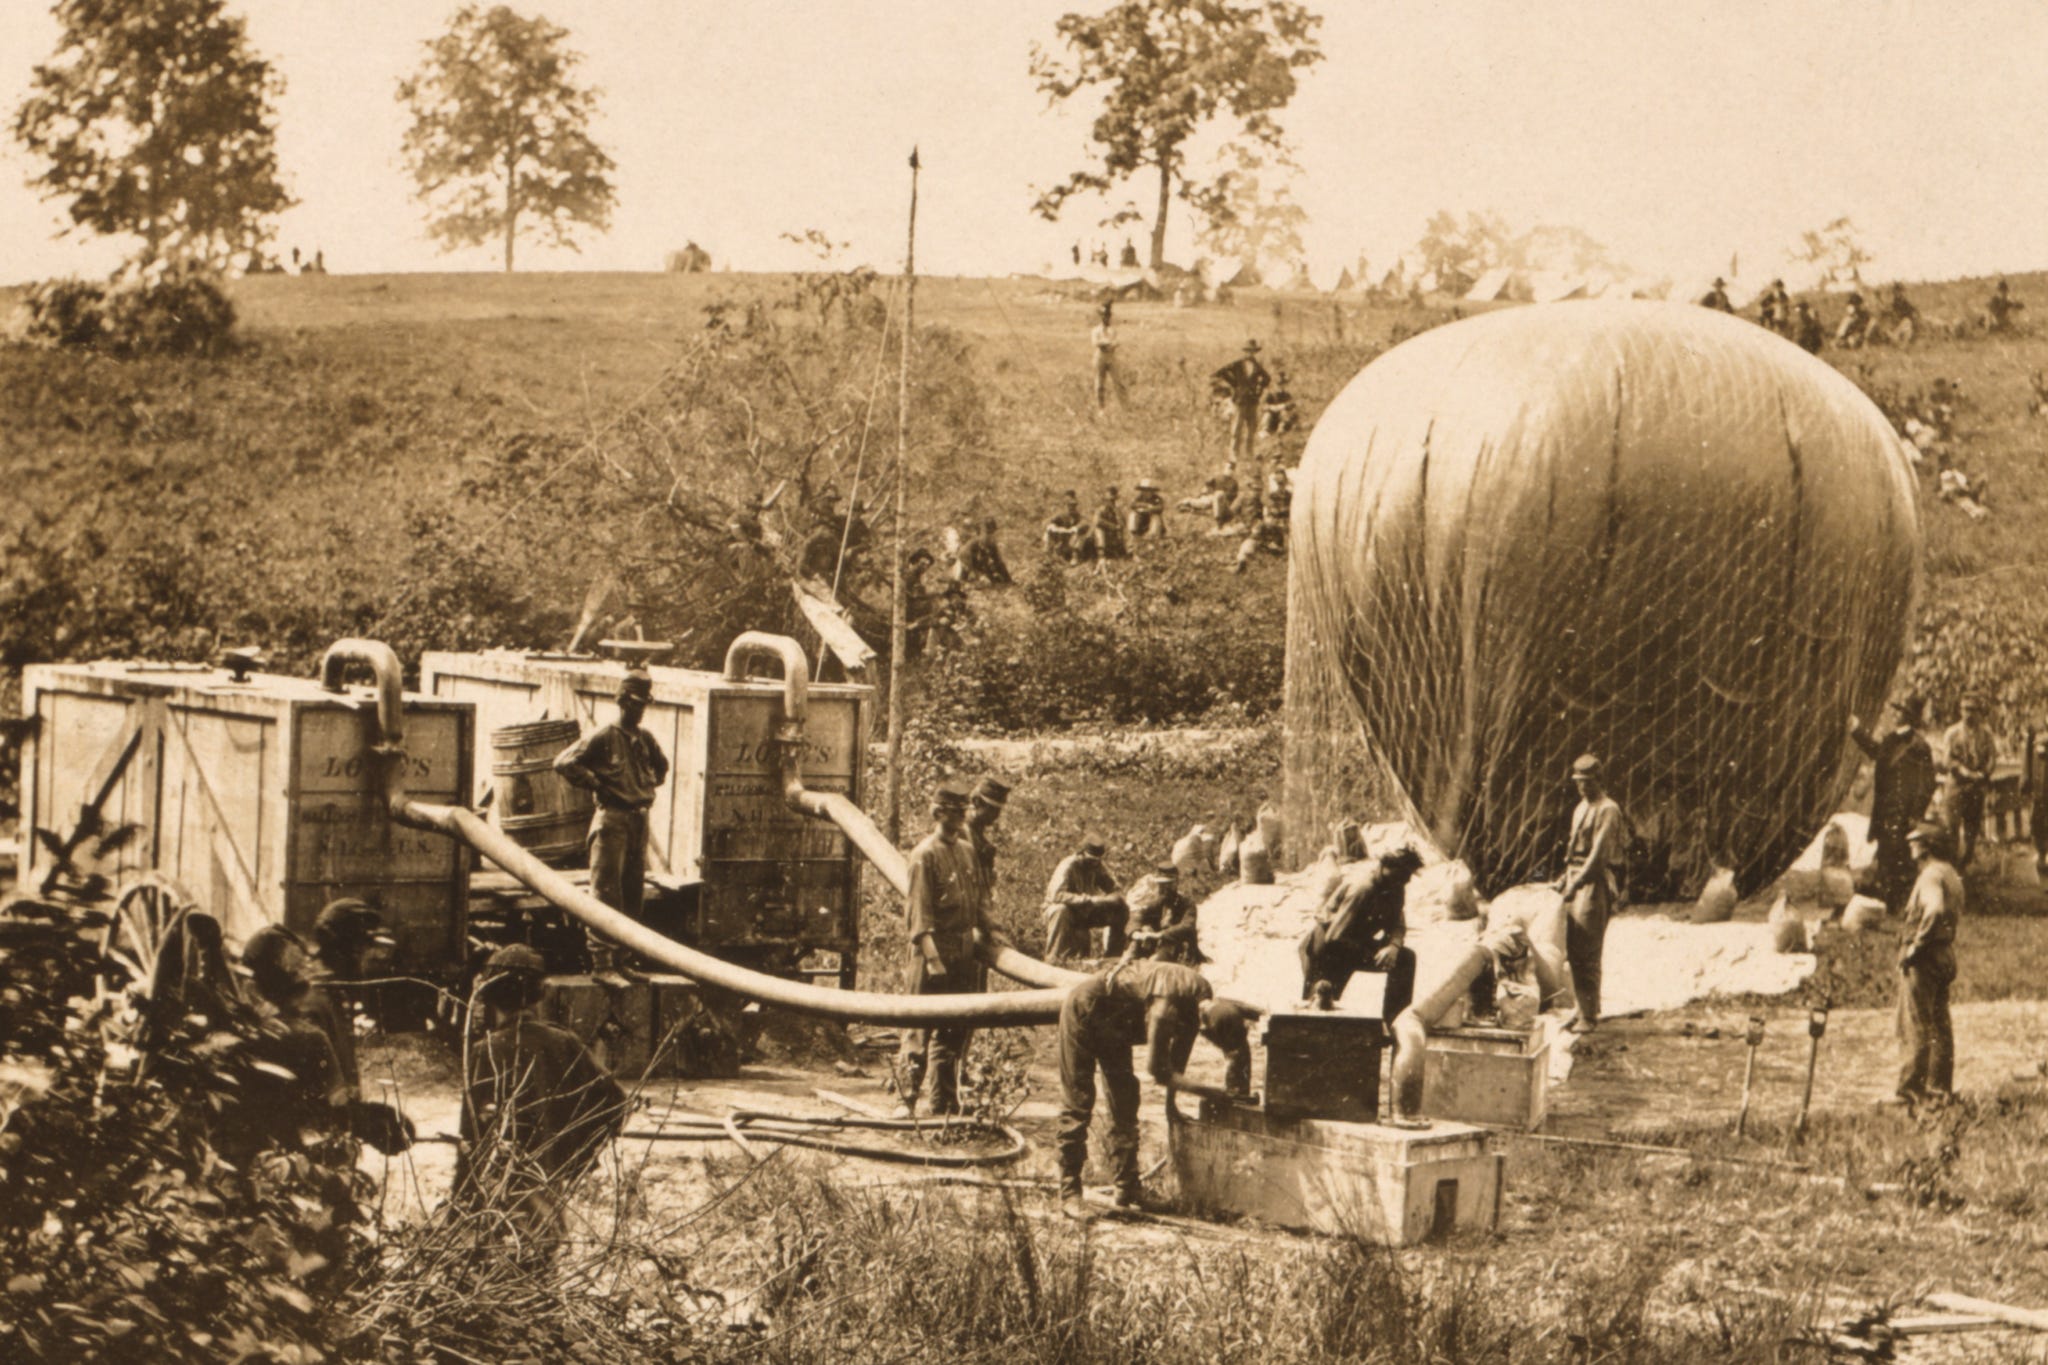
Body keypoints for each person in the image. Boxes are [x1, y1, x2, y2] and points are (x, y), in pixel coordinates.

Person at [1055, 957, 1256, 1220]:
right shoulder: (1166, 1007)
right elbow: (1159, 1072)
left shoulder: (1201, 998)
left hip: (1115, 1026)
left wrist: (1173, 1109)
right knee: (1079, 1102)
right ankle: (1069, 1193)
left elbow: (1175, 1067)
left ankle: (1127, 1188)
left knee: (1126, 1098)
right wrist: (1211, 1093)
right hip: (1085, 1011)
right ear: (1207, 1024)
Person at [460, 945, 628, 1253]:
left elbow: (471, 1136)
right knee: (542, 1264)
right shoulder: (563, 1041)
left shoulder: (486, 1051)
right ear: (539, 994)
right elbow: (615, 1103)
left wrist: (460, 1203)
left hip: (497, 1193)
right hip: (548, 1185)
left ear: (489, 996)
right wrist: (574, 1157)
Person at [554, 669, 670, 973]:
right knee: (606, 892)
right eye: (634, 703)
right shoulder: (605, 735)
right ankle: (602, 964)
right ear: (621, 702)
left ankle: (623, 961)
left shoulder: (645, 739)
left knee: (633, 894)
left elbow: (661, 768)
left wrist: (641, 786)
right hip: (612, 820)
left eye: (643, 704)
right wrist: (598, 783)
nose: (639, 709)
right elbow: (564, 762)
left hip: (638, 821)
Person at [896, 784, 993, 1117]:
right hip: (931, 953)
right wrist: (934, 960)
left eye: (964, 811)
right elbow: (919, 915)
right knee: (918, 1026)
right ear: (938, 814)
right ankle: (905, 1099)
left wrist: (996, 934)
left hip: (963, 950)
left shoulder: (967, 851)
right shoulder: (924, 855)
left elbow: (980, 902)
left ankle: (944, 1102)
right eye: (956, 812)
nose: (962, 817)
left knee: (953, 1029)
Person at [1298, 844, 1423, 1019]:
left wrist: (1392, 947)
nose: (1406, 880)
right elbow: (1335, 937)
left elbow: (1398, 924)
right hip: (1328, 949)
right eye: (1402, 874)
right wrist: (1371, 953)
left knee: (1405, 959)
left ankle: (1395, 1023)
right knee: (1320, 1007)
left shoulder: (1395, 886)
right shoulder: (1363, 889)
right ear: (1385, 867)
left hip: (1354, 943)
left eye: (1408, 875)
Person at [1893, 824, 1960, 1106]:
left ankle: (1911, 1090)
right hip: (1945, 953)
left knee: (1916, 1023)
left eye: (1915, 842)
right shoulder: (1950, 874)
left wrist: (1914, 947)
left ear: (1925, 847)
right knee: (1940, 1024)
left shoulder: (1930, 876)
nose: (1911, 846)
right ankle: (1939, 1087)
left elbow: (1934, 909)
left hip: (1926, 956)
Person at [1850, 699, 1939, 910]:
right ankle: (1889, 899)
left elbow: (1927, 783)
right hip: (1886, 809)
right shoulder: (1892, 740)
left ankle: (1896, 901)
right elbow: (1876, 752)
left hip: (1902, 810)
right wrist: (1856, 730)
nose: (1895, 715)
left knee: (1897, 855)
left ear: (1907, 717)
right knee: (1887, 853)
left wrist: (1916, 813)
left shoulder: (1919, 746)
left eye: (1899, 712)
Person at [1558, 754, 1625, 1032]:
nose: (1583, 788)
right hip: (1576, 878)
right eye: (1578, 783)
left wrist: (1574, 885)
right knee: (1573, 949)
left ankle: (1589, 1016)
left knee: (1587, 950)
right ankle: (1582, 1008)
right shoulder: (1580, 808)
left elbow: (1598, 857)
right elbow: (1574, 853)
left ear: (1599, 780)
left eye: (1587, 782)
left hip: (1595, 884)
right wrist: (1564, 879)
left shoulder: (1608, 809)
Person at [1043, 838, 1127, 962]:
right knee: (1060, 910)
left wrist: (1114, 897)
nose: (1094, 863)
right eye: (1091, 860)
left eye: (1097, 861)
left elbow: (1114, 888)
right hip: (1064, 911)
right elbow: (1057, 895)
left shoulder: (1097, 866)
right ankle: (1053, 958)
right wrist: (1090, 900)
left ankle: (1112, 957)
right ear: (1081, 853)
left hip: (1084, 911)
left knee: (1121, 909)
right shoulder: (1068, 865)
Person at [1941, 695, 1998, 867]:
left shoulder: (1986, 734)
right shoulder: (1952, 733)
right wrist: (1963, 771)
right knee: (1951, 828)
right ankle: (1951, 865)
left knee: (1972, 831)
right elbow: (1947, 760)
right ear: (1960, 710)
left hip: (1976, 787)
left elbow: (1992, 758)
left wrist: (1984, 773)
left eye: (1972, 709)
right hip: (1957, 785)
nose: (1968, 714)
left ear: (1979, 712)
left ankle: (1964, 867)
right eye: (1965, 709)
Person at [1122, 863, 1203, 965]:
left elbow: (1187, 926)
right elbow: (1138, 916)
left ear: (1176, 883)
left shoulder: (1187, 903)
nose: (1162, 888)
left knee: (1154, 964)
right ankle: (1122, 966)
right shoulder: (1159, 902)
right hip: (1157, 944)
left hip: (1176, 945)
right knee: (1132, 951)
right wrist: (1137, 933)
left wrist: (1159, 935)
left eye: (1167, 884)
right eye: (1160, 884)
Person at [1211, 341, 1271, 467]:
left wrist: (1259, 388)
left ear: (1255, 352)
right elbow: (1220, 373)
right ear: (1244, 351)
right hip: (1240, 401)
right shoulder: (1237, 365)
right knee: (1236, 428)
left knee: (1251, 428)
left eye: (1253, 351)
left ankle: (1249, 453)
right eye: (1248, 351)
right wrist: (1235, 384)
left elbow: (1267, 378)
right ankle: (1234, 454)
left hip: (1252, 401)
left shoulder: (1257, 366)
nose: (1250, 353)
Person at [1178, 460, 1241, 527]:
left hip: (1224, 504)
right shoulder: (1217, 478)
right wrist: (1203, 493)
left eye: (1230, 469)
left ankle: (1218, 520)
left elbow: (1233, 497)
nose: (1227, 470)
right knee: (1206, 500)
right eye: (1226, 467)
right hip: (1213, 499)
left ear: (1233, 471)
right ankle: (1188, 502)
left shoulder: (1234, 483)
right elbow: (1207, 486)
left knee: (1218, 495)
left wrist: (1222, 495)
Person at [1091, 302, 1128, 410]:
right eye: (1103, 316)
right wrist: (1108, 343)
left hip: (1111, 357)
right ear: (1100, 317)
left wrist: (1107, 343)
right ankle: (1100, 408)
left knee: (1119, 382)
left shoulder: (1113, 330)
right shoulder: (1095, 330)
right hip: (1100, 357)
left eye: (1107, 316)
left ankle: (1126, 407)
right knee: (1099, 384)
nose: (1106, 318)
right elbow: (1096, 343)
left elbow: (1117, 342)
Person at [958, 517, 1013, 586]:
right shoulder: (983, 540)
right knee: (980, 577)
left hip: (969, 556)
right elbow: (984, 561)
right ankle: (964, 579)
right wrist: (991, 578)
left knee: (987, 570)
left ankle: (964, 579)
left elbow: (997, 560)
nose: (991, 535)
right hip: (967, 556)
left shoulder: (989, 541)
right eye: (988, 532)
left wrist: (1008, 579)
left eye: (991, 532)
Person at [1043, 490, 1086, 562]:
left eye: (1074, 505)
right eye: (1069, 505)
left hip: (1072, 542)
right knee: (1049, 532)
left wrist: (1076, 528)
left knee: (1080, 534)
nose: (1072, 508)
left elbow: (1085, 522)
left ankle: (1075, 557)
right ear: (1065, 505)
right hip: (1061, 542)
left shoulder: (1077, 515)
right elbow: (1046, 523)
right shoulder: (1060, 515)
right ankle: (1048, 556)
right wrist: (1053, 527)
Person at [1091, 487, 1128, 560]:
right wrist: (1113, 526)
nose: (1110, 502)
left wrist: (1117, 514)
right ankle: (1101, 556)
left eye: (1113, 501)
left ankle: (1129, 552)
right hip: (1101, 538)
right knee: (1098, 530)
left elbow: (1123, 524)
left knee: (1126, 531)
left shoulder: (1117, 510)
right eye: (1108, 501)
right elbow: (1097, 521)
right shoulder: (1100, 510)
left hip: (1113, 537)